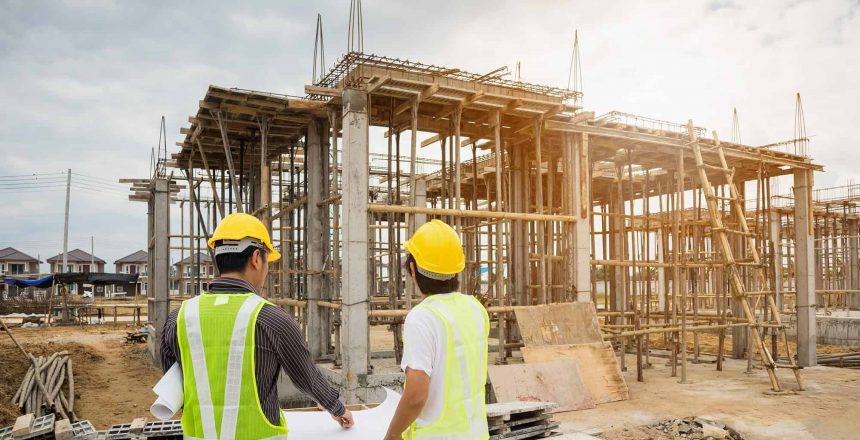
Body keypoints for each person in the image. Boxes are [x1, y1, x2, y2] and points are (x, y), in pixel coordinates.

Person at [160, 213, 353, 439]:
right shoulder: (272, 318)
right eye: (267, 261)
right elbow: (306, 377)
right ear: (255, 258)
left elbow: (173, 380)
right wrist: (337, 408)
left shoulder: (178, 318)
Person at [384, 220, 490, 440]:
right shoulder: (476, 309)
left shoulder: (423, 318)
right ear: (457, 269)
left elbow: (415, 396)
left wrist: (393, 434)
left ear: (413, 269)